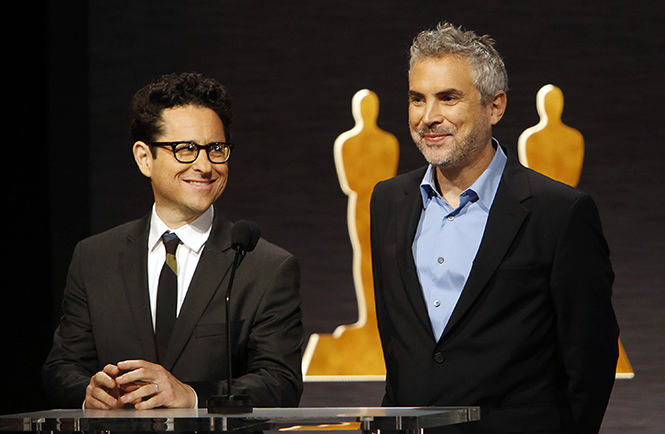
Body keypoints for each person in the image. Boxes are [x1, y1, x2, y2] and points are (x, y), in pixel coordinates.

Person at [370, 23, 618, 433]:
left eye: (448, 98)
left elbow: (589, 358)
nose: (429, 117)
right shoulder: (388, 201)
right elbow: (400, 350)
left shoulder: (558, 212)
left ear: (495, 106)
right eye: (417, 99)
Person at [42, 72, 303, 410]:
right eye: (186, 149)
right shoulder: (94, 257)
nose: (205, 165)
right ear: (144, 158)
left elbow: (280, 382)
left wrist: (192, 395)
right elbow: (61, 368)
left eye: (216, 149)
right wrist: (88, 392)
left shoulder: (264, 266)